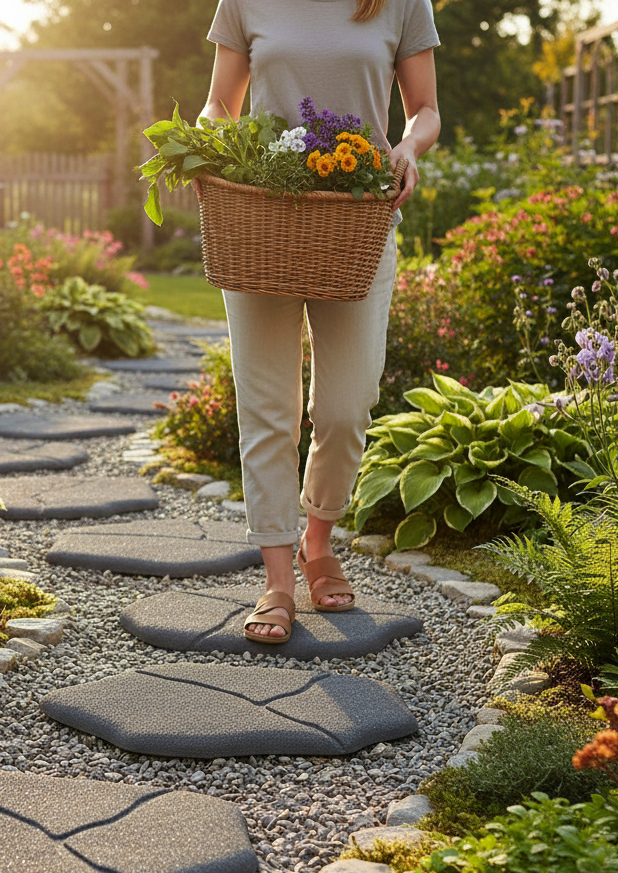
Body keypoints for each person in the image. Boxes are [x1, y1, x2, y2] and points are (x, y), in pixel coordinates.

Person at [201, 0, 441, 643]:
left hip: (359, 222)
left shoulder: (398, 3)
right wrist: (207, 146)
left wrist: (409, 145)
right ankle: (278, 580)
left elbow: (425, 108)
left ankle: (318, 536)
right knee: (267, 408)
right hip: (260, 222)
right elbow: (220, 102)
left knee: (346, 406)